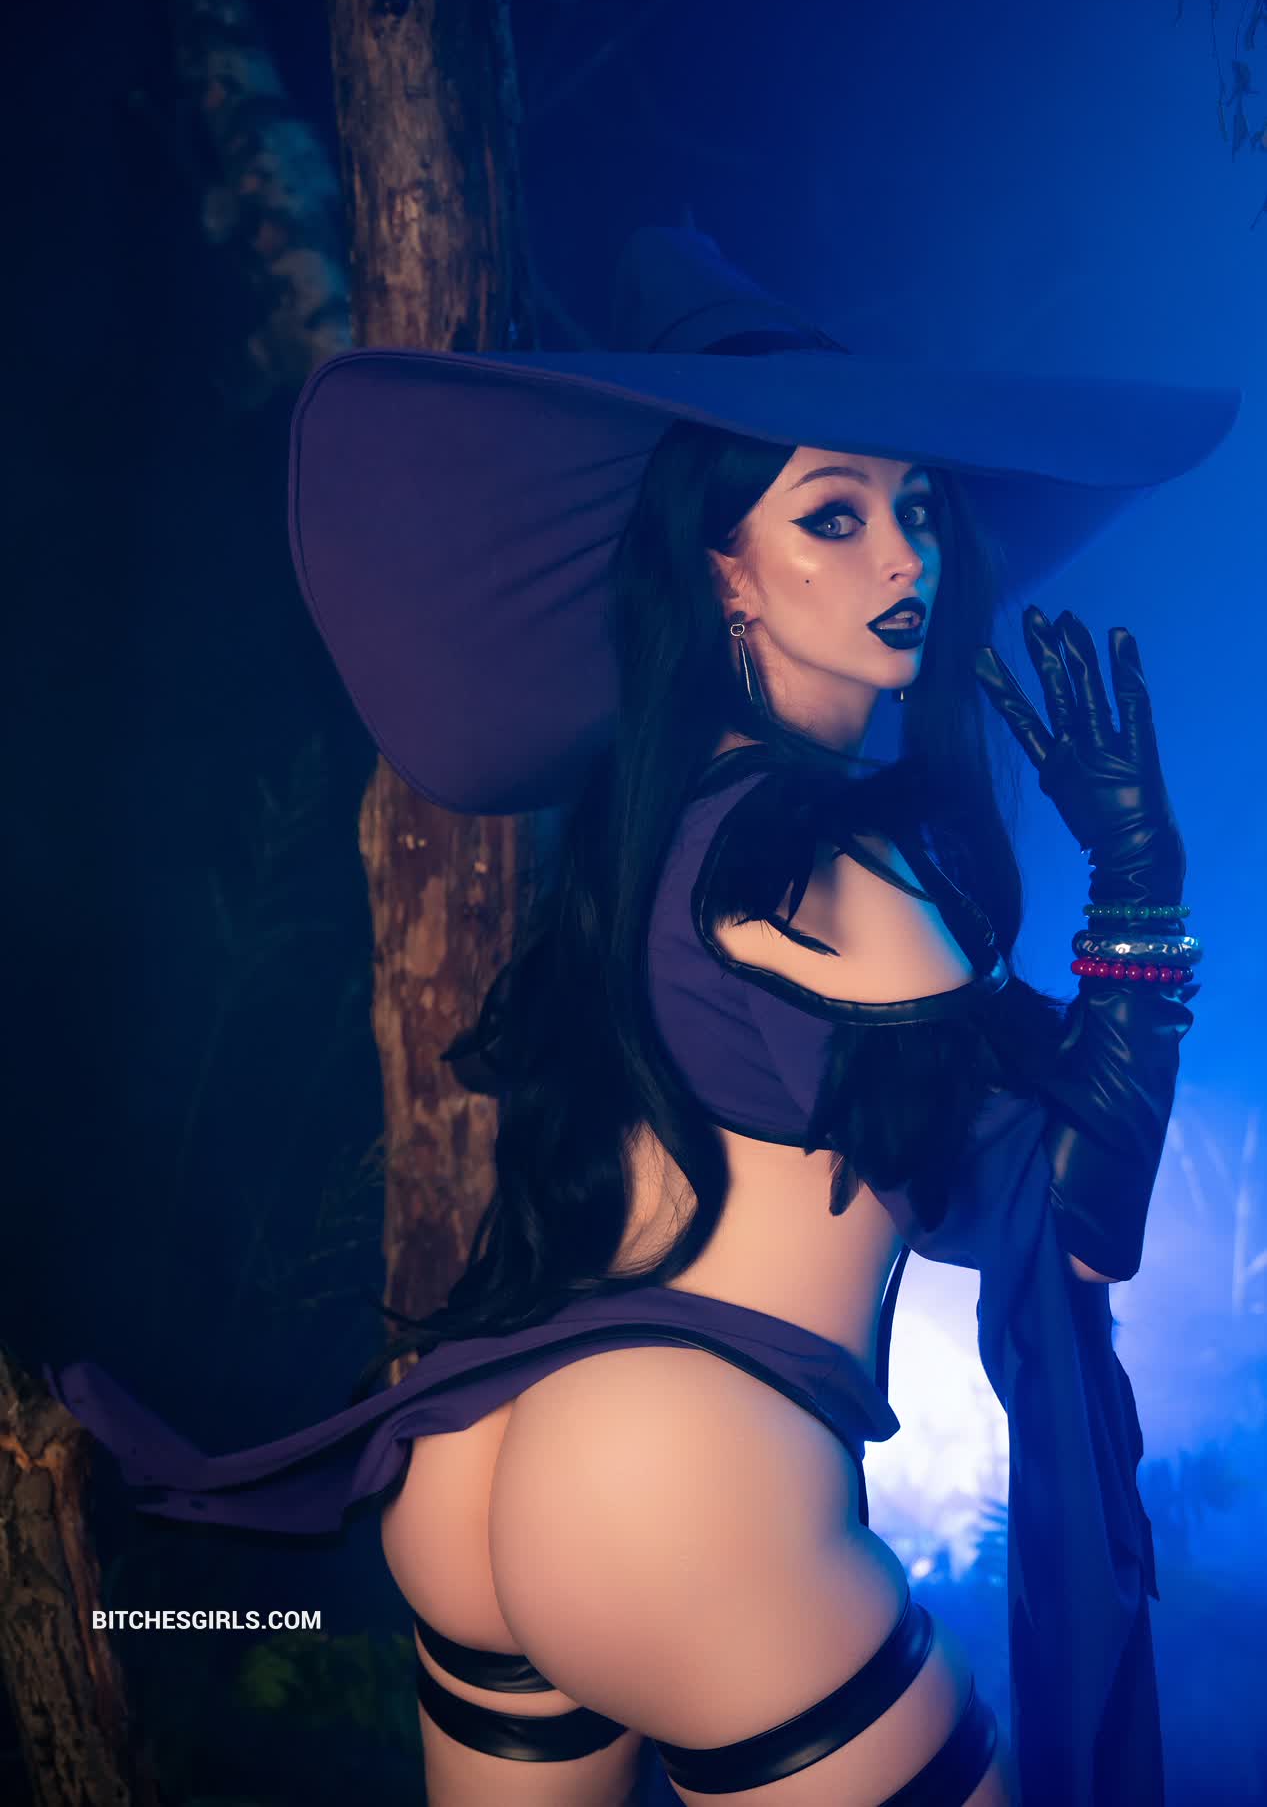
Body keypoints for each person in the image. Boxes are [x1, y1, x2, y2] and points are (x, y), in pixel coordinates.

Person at [46, 228, 1239, 1807]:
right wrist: (1143, 894)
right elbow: (1074, 1228)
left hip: (484, 1457)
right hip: (686, 1493)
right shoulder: (837, 868)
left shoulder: (659, 827)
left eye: (917, 509)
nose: (906, 560)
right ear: (720, 569)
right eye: (833, 515)